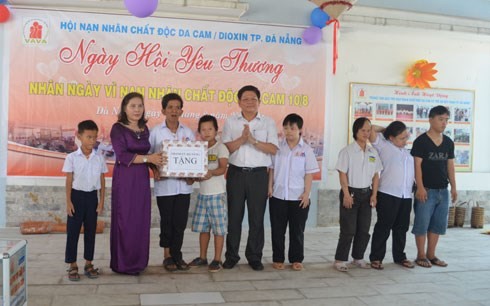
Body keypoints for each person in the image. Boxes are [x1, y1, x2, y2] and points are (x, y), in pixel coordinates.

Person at [221, 85, 278, 271]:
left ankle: (254, 256)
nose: (250, 102)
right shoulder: (231, 122)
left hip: (259, 176)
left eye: (253, 99)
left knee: (256, 218)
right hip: (236, 174)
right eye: (245, 99)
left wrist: (253, 141)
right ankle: (231, 256)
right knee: (234, 217)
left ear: (259, 102)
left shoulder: (268, 122)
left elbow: (273, 149)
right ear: (239, 102)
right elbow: (226, 149)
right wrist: (242, 139)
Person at [110, 92, 163, 275]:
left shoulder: (144, 128)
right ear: (125, 107)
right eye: (133, 106)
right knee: (125, 218)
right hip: (125, 179)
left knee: (140, 219)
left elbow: (147, 157)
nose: (137, 109)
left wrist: (155, 167)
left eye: (140, 106)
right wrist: (150, 158)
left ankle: (138, 262)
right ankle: (123, 264)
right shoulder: (117, 128)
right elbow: (122, 155)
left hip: (141, 178)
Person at [149, 93, 195, 272]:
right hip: (165, 187)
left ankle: (178, 254)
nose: (174, 111)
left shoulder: (188, 132)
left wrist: (192, 174)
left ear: (182, 111)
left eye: (177, 107)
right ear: (163, 110)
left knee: (180, 223)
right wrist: (155, 171)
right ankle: (167, 256)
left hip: (184, 187)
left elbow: (194, 158)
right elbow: (151, 156)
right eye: (170, 107)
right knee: (167, 222)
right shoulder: (156, 132)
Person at [268, 113, 320, 271]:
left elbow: (309, 174)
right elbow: (271, 169)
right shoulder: (277, 148)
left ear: (300, 130)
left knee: (297, 231)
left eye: (292, 128)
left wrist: (307, 194)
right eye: (285, 128)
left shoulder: (307, 150)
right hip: (278, 195)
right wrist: (269, 187)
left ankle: (296, 259)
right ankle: (278, 258)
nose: (288, 131)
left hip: (298, 197)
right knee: (277, 230)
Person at [334, 117, 382, 272]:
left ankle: (358, 257)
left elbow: (376, 175)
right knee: (348, 229)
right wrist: (346, 195)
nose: (366, 133)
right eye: (363, 130)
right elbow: (342, 174)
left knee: (363, 228)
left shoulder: (372, 151)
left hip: (367, 194)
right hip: (351, 193)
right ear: (356, 131)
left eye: (369, 130)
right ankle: (340, 259)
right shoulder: (347, 151)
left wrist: (374, 194)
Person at [411, 105, 457, 268]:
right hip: (426, 190)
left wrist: (454, 187)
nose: (444, 123)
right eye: (440, 119)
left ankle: (431, 255)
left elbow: (450, 166)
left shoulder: (448, 142)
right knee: (422, 224)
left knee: (437, 224)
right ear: (430, 119)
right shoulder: (421, 141)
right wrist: (420, 187)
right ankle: (421, 255)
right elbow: (417, 166)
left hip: (442, 191)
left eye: (446, 120)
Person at [63, 120, 108, 281]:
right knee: (73, 233)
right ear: (79, 136)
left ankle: (89, 263)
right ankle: (72, 264)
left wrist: (101, 201)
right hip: (76, 197)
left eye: (94, 137)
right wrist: (68, 201)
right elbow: (69, 180)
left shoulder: (99, 158)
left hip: (91, 198)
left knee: (91, 232)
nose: (92, 140)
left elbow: (102, 181)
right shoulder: (72, 158)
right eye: (88, 137)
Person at [368, 121, 415, 270]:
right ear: (391, 137)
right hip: (388, 194)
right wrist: (385, 130)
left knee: (401, 228)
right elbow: (371, 128)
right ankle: (376, 257)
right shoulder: (383, 146)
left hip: (405, 195)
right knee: (384, 227)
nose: (404, 140)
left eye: (405, 137)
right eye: (401, 138)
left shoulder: (407, 152)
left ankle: (400, 256)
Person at [188, 115, 229, 272]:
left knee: (219, 229)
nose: (206, 132)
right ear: (199, 132)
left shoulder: (221, 147)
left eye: (210, 129)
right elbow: (195, 170)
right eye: (203, 129)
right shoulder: (198, 149)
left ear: (216, 130)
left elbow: (222, 168)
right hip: (203, 195)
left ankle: (217, 259)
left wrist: (211, 173)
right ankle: (202, 257)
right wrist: (191, 177)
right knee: (204, 229)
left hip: (217, 195)